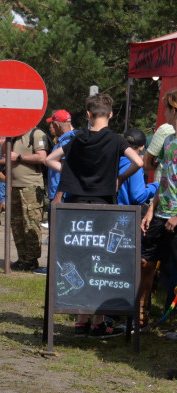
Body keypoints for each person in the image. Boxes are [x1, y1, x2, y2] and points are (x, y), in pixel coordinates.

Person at [46, 92, 143, 336]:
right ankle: (98, 321)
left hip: (75, 207)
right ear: (110, 115)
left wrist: (72, 174)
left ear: (88, 115)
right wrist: (119, 177)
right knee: (100, 260)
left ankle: (80, 320)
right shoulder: (117, 140)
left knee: (78, 257)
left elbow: (50, 159)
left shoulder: (77, 139)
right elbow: (139, 163)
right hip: (104, 207)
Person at [139, 89, 177, 331]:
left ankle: (171, 322)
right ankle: (140, 314)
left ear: (174, 109)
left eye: (166, 107)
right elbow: (165, 179)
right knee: (145, 263)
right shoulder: (169, 140)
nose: (163, 112)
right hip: (160, 212)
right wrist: (152, 209)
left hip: (175, 218)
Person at [0, 125, 48, 271]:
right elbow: (2, 153)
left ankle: (31, 260)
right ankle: (22, 258)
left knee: (31, 223)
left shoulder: (36, 134)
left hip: (31, 187)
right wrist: (6, 137)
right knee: (17, 223)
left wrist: (19, 157)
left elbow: (42, 157)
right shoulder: (13, 135)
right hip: (14, 186)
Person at [44, 110, 78, 227]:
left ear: (58, 125)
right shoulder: (70, 139)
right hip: (62, 195)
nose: (51, 127)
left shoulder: (67, 142)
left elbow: (67, 170)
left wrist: (58, 196)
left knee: (57, 234)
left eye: (52, 124)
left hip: (62, 197)